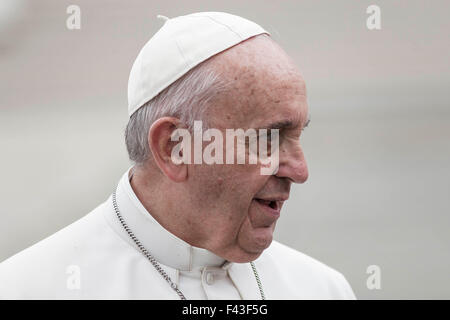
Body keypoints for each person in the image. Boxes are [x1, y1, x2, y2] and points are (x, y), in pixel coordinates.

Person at [0, 11, 356, 299]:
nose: (299, 169)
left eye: (298, 135)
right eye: (267, 138)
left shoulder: (321, 289)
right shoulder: (26, 289)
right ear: (174, 147)